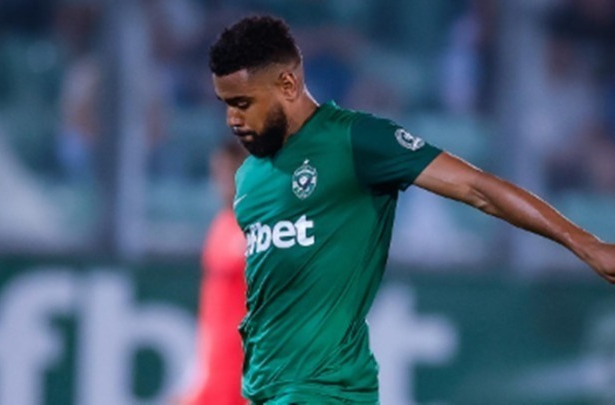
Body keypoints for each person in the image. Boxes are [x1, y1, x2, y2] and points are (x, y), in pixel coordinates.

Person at [207, 15, 615, 405]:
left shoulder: (355, 140)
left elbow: (477, 188)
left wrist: (586, 244)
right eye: (226, 104)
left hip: (325, 392)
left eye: (243, 103)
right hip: (264, 391)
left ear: (288, 84)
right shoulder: (249, 180)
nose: (232, 119)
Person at [180, 139, 249, 405]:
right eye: (219, 173)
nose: (224, 183)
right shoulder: (221, 226)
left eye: (231, 172)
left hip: (248, 374)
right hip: (217, 371)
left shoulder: (271, 229)